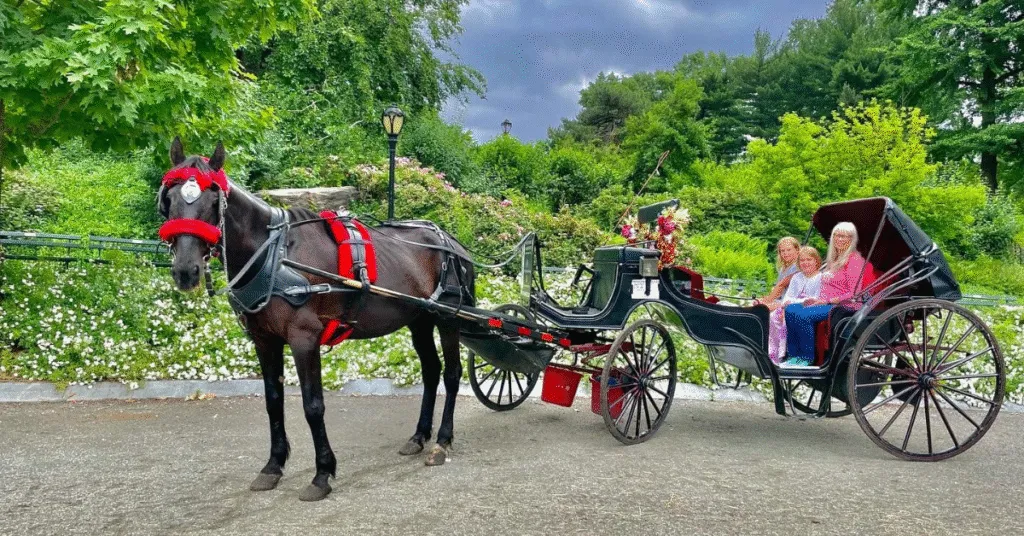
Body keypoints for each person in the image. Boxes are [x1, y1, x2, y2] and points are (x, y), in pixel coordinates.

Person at [782, 222, 867, 367]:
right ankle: (793, 355)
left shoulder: (854, 260)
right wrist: (818, 299)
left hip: (844, 306)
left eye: (844, 236)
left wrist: (827, 300)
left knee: (803, 315)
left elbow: (854, 293)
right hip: (826, 303)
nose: (839, 239)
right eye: (836, 235)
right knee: (790, 310)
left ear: (852, 239)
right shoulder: (834, 259)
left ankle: (807, 357)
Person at [768, 246, 822, 363]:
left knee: (792, 315)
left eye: (809, 260)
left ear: (816, 261)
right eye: (802, 260)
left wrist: (794, 302)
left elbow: (814, 299)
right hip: (791, 306)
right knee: (774, 316)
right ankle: (777, 353)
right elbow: (788, 297)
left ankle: (791, 354)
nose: (805, 263)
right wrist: (787, 306)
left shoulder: (820, 277)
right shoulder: (797, 277)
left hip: (808, 307)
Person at [756, 237, 800, 310]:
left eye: (789, 250)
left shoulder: (798, 266)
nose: (785, 253)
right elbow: (778, 289)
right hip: (782, 299)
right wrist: (767, 298)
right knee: (756, 303)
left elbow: (781, 285)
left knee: (762, 308)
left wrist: (767, 301)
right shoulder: (783, 268)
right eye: (782, 251)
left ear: (797, 250)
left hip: (792, 301)